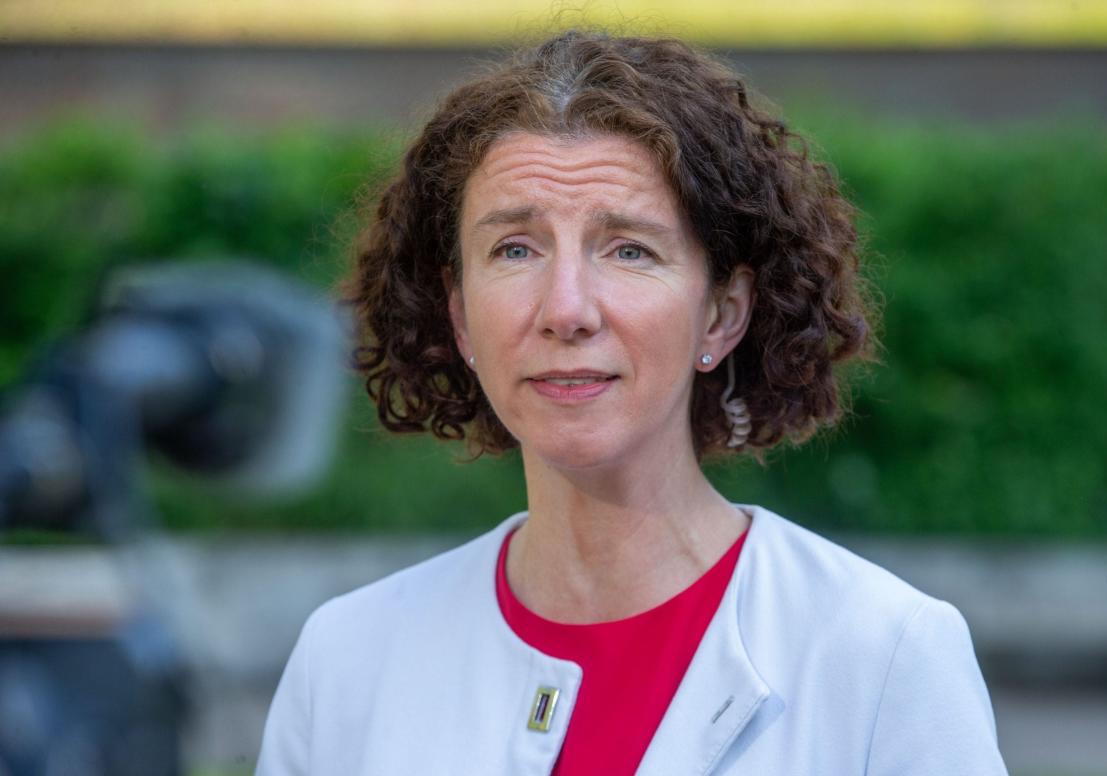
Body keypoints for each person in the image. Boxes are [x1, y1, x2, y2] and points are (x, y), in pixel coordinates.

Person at [256, 29, 1008, 776]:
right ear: (459, 317)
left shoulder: (882, 655)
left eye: (628, 249)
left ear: (721, 314)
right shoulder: (346, 662)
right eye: (515, 248)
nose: (566, 308)